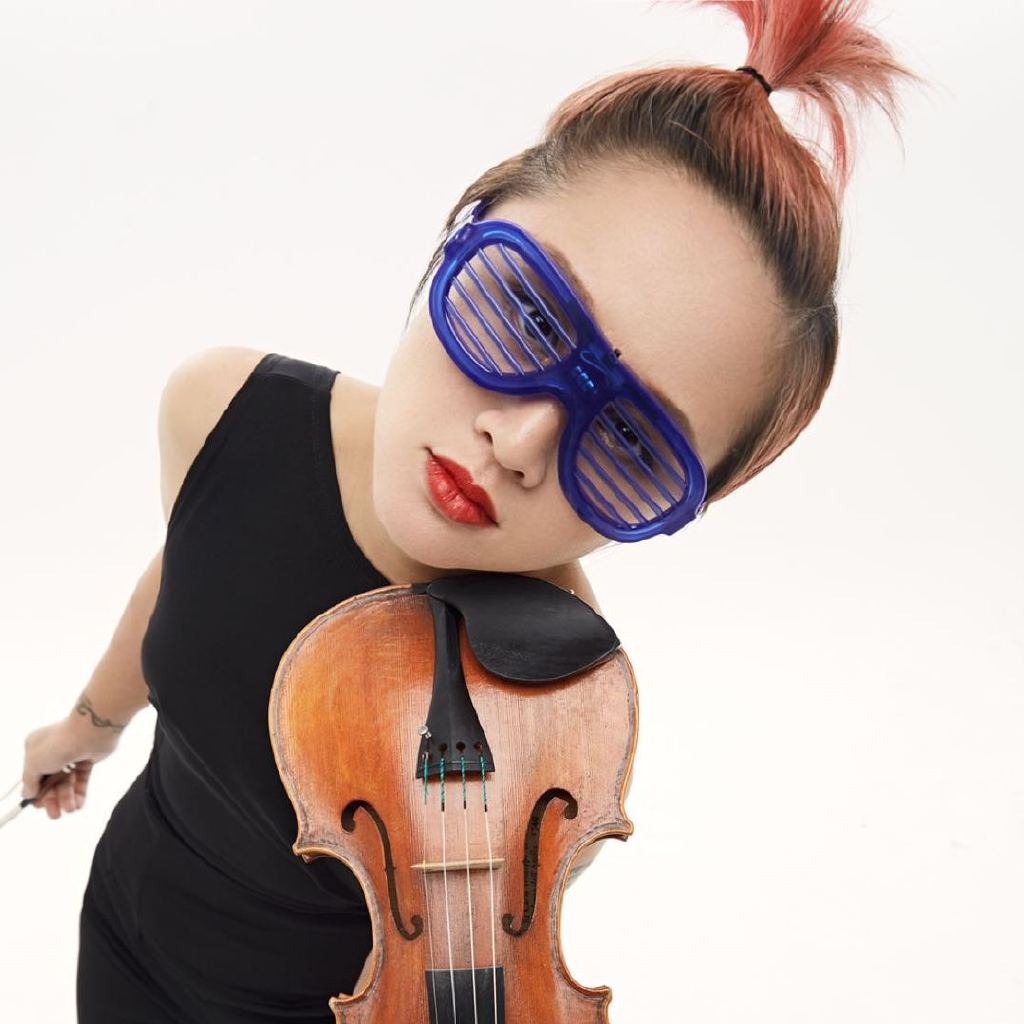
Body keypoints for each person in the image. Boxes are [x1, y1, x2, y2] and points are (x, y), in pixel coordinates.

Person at [18, 1, 920, 1020]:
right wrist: (85, 726)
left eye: (632, 443)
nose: (522, 443)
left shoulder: (564, 699)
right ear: (465, 231)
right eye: (528, 310)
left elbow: (489, 948)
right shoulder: (222, 407)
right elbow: (189, 567)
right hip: (125, 927)